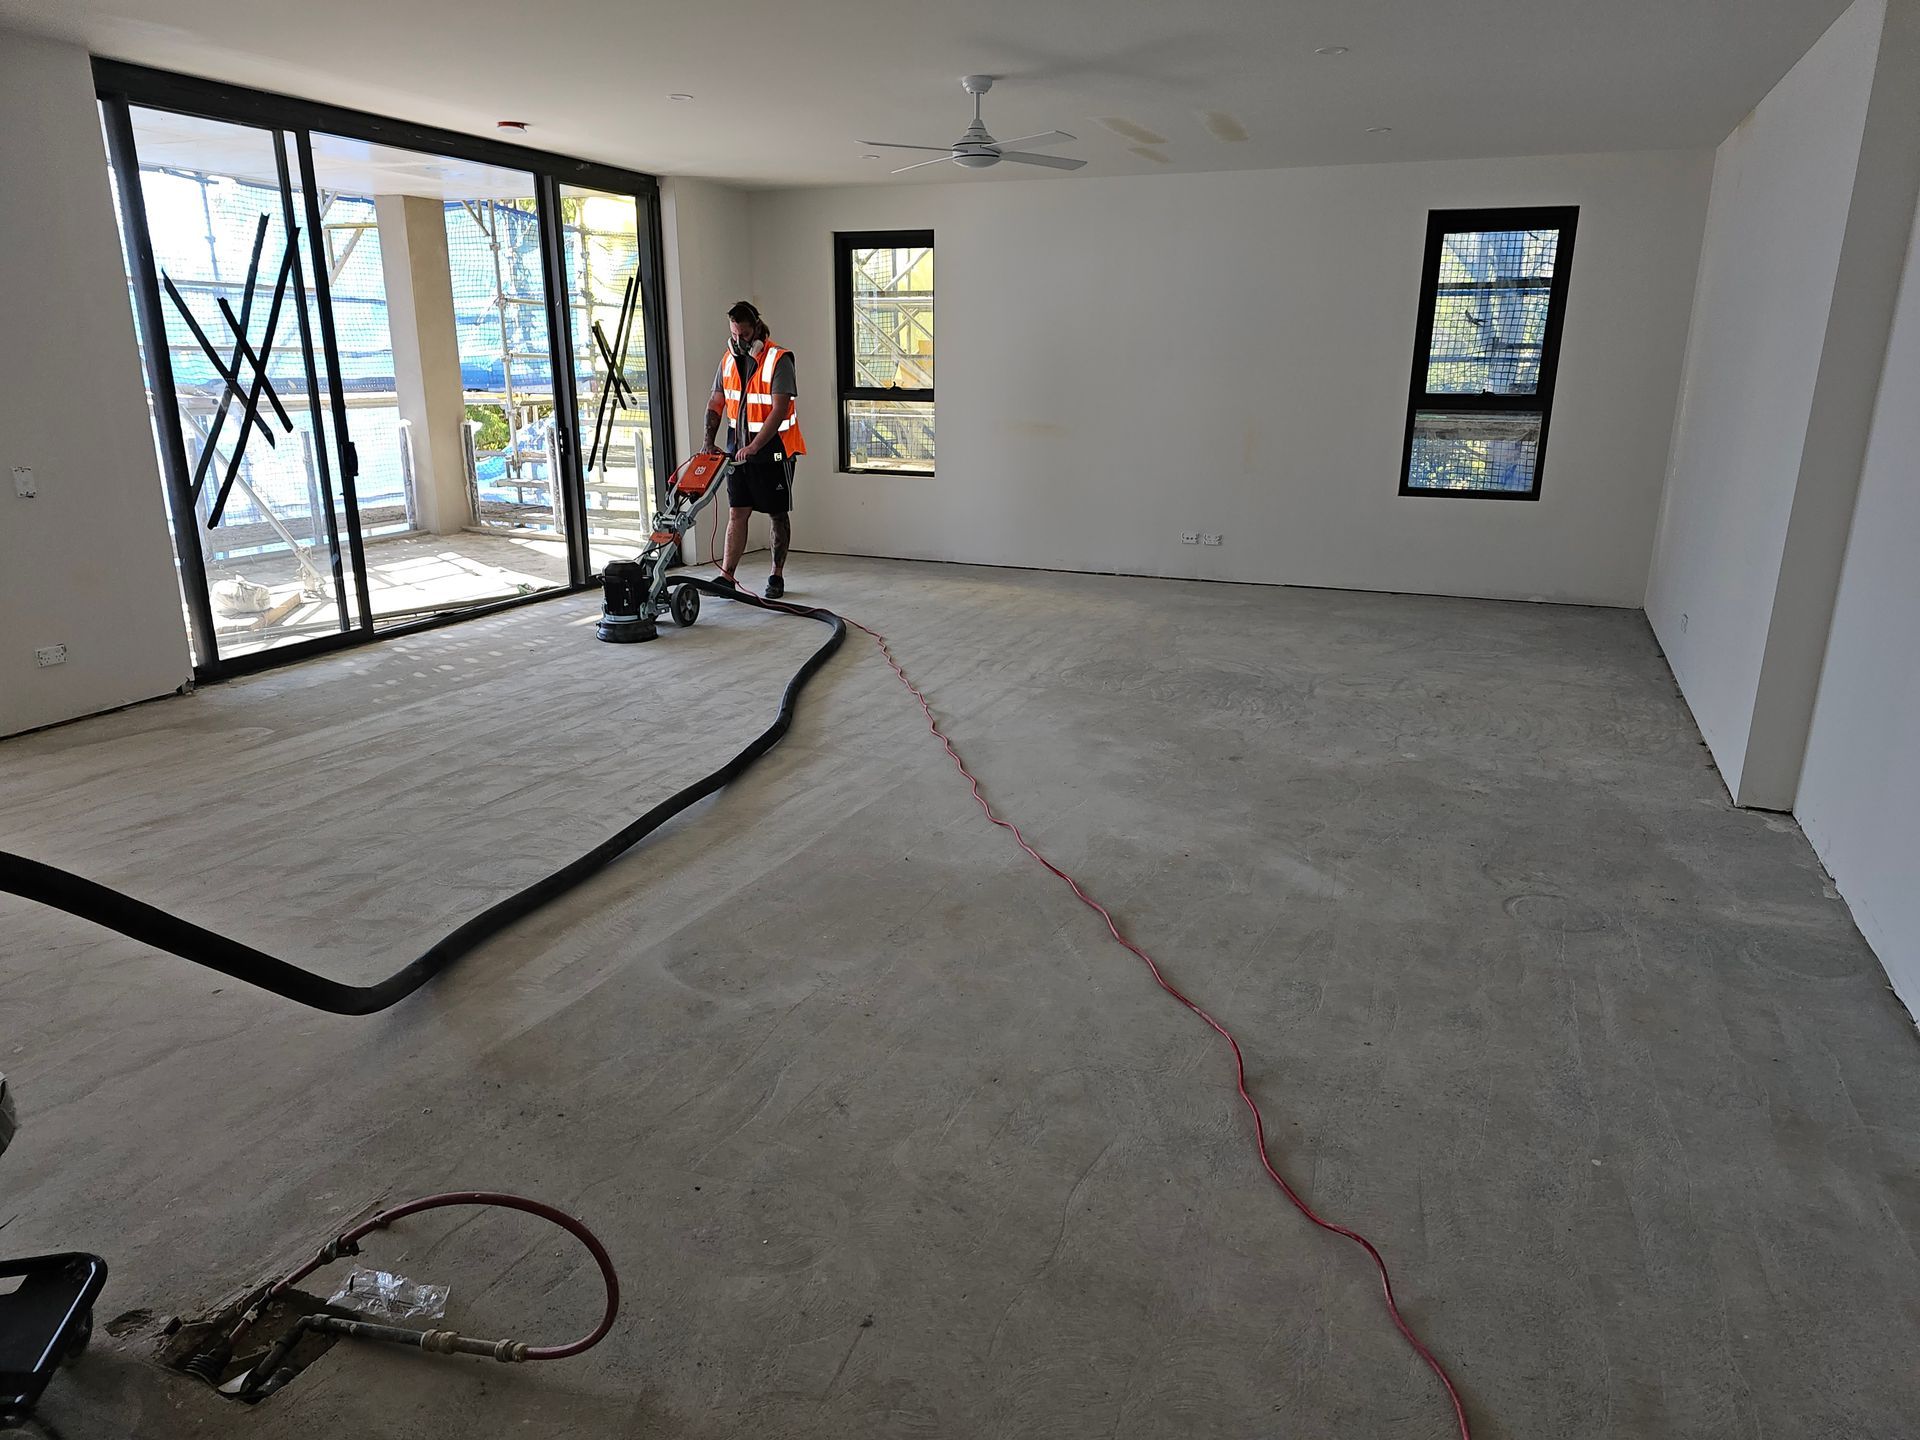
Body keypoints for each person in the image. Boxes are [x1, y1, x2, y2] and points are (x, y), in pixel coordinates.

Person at [701, 300, 805, 599]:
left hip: (775, 450)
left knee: (776, 513)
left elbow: (779, 409)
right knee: (737, 512)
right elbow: (716, 402)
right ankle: (727, 576)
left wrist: (755, 446)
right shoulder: (727, 361)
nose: (739, 341)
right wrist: (708, 441)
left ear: (756, 328)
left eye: (744, 334)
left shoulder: (779, 359)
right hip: (738, 450)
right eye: (734, 334)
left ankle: (776, 575)